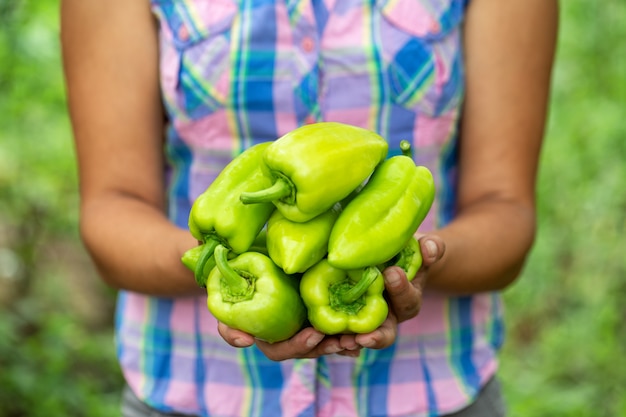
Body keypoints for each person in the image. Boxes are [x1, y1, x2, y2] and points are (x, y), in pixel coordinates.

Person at [60, 0, 558, 415]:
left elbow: (506, 210)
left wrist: (418, 259)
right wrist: (223, 270)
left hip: (431, 390)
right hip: (194, 391)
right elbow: (111, 208)